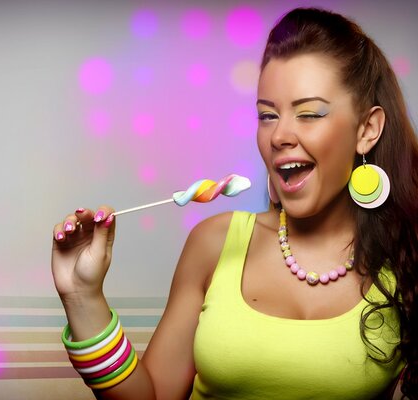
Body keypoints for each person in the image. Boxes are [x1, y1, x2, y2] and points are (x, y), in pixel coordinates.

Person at [51, 7, 417, 399]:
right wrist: (82, 296)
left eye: (308, 113)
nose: (280, 136)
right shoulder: (215, 242)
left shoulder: (405, 258)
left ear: (367, 130)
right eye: (268, 115)